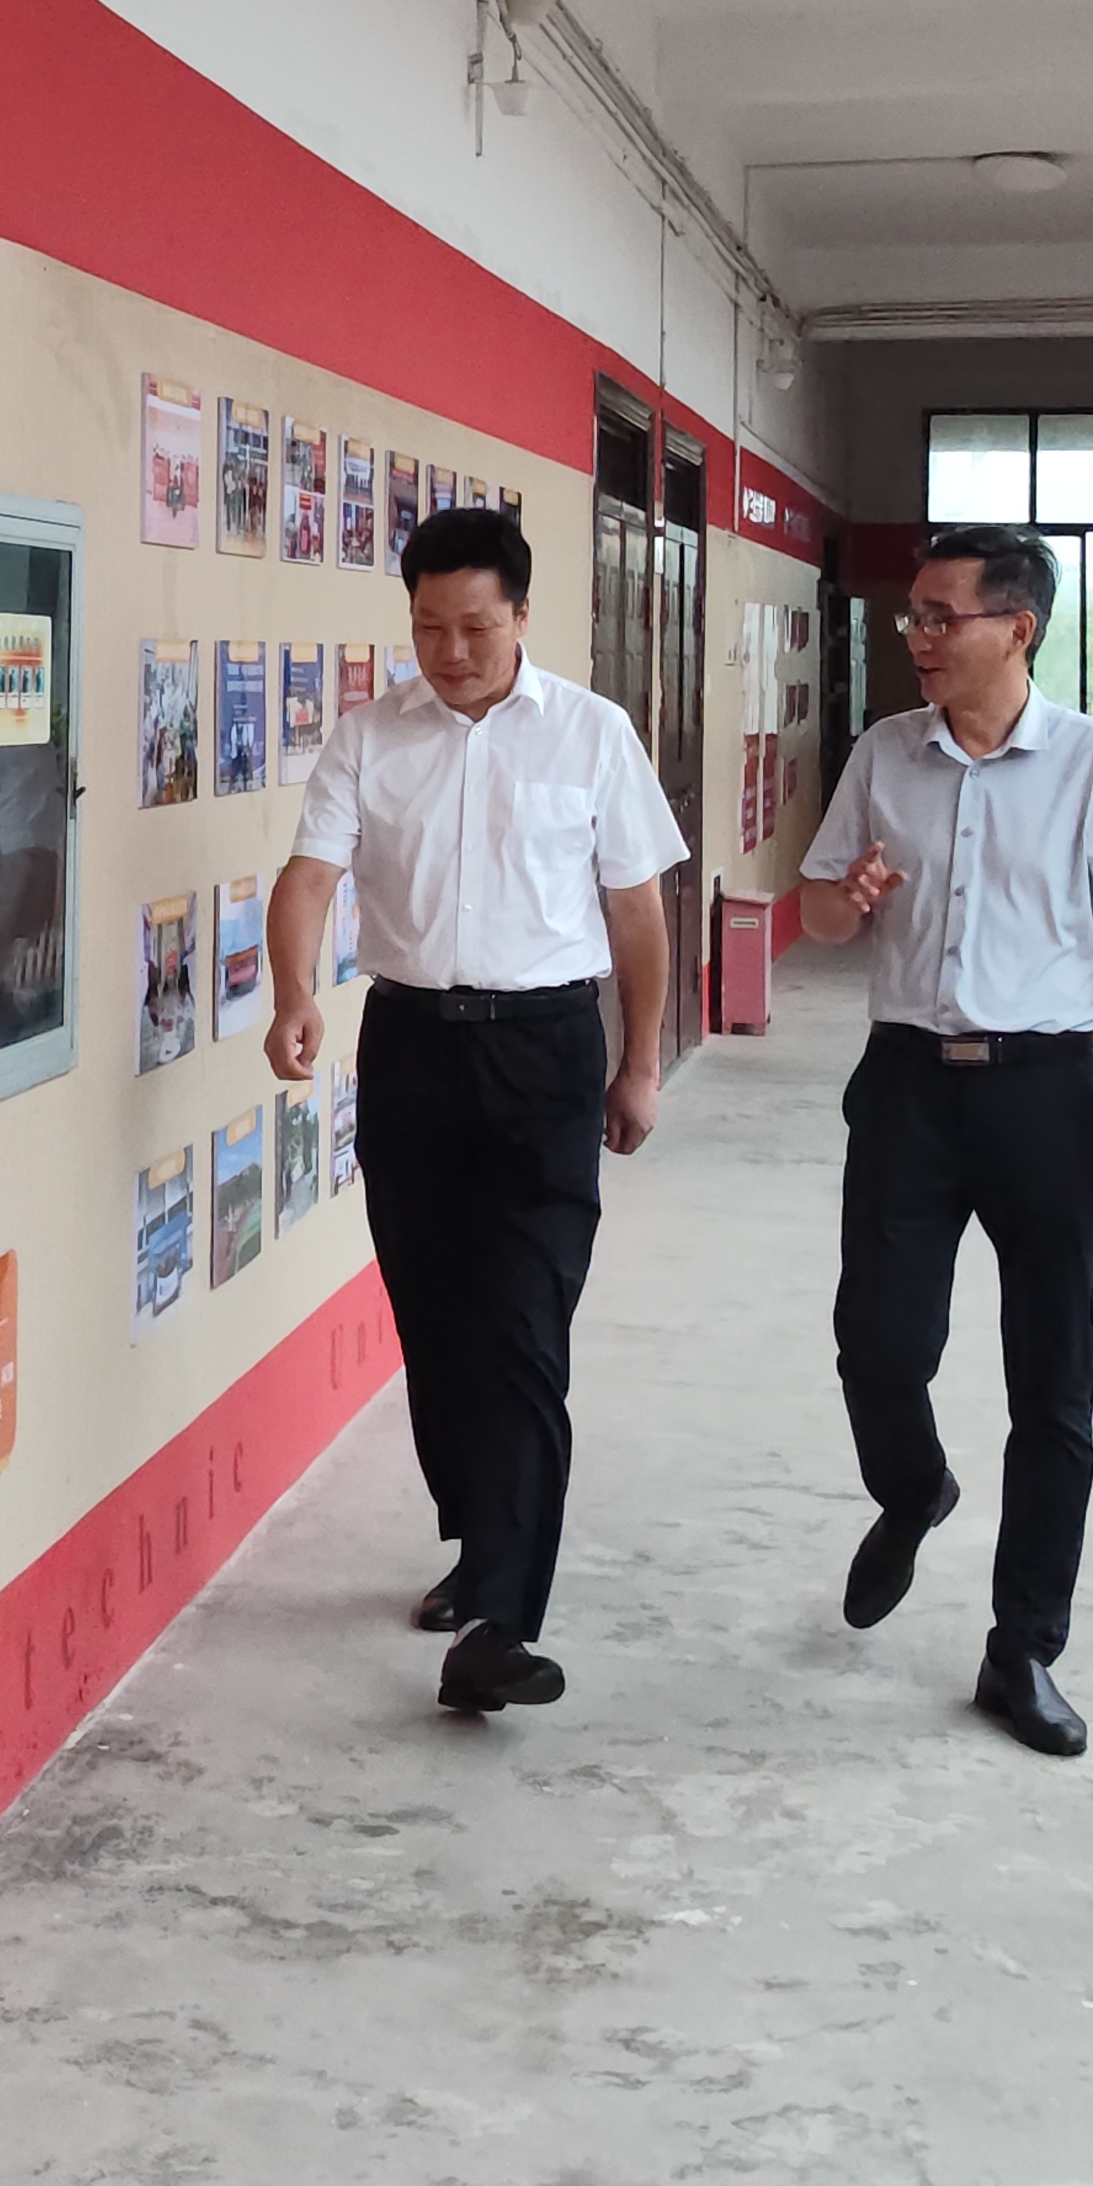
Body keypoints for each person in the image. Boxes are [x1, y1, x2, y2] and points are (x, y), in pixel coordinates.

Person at [264, 506, 686, 1715]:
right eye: (428, 628)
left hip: (545, 1052)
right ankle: (479, 1537)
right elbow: (309, 877)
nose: (450, 652)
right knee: (437, 1320)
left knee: (522, 1330)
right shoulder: (369, 736)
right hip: (410, 1048)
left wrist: (638, 1063)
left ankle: (502, 1617)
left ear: (521, 616)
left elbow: (637, 913)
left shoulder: (592, 736)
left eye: (475, 628)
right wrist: (295, 994)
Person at [798, 523, 1093, 1758]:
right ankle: (913, 1489)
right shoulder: (882, 754)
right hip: (906, 1086)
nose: (916, 636)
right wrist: (845, 900)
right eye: (910, 615)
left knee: (1051, 1382)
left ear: (1015, 628)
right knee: (876, 1342)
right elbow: (818, 916)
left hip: (1042, 1095)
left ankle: (1023, 1646)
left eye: (939, 615)